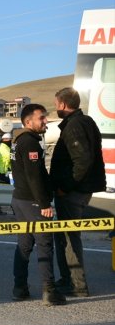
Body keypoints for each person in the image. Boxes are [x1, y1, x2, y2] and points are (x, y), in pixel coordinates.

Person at [50, 87, 106, 297]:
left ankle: (76, 284)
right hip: (81, 190)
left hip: (73, 192)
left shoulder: (74, 125)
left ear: (63, 104)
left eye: (56, 104)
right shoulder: (86, 122)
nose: (55, 108)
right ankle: (70, 280)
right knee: (67, 237)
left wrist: (66, 187)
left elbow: (82, 161)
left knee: (68, 239)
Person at [10, 104, 65, 306]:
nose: (46, 122)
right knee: (44, 245)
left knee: (24, 245)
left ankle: (19, 288)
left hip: (19, 199)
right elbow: (34, 177)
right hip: (32, 202)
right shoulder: (30, 143)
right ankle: (49, 291)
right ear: (28, 122)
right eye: (41, 118)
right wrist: (44, 203)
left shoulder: (19, 141)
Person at [0, 132, 13, 215]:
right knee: (8, 193)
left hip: (2, 173)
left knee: (2, 193)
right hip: (3, 173)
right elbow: (11, 159)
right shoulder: (5, 149)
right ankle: (15, 210)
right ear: (5, 140)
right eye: (10, 140)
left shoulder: (1, 147)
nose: (11, 141)